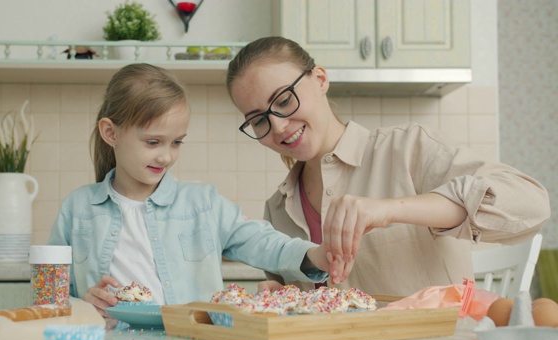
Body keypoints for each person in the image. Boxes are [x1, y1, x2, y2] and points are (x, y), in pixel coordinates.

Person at [225, 36, 551, 296]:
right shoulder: (277, 208)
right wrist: (277, 294)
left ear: (320, 79)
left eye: (283, 100)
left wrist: (389, 210)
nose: (279, 126)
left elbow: (531, 204)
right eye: (259, 121)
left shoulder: (406, 149)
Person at [47, 63, 347, 317]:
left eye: (176, 142)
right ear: (110, 133)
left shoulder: (203, 205)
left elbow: (265, 243)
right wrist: (83, 306)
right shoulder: (77, 209)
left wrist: (316, 255)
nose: (166, 156)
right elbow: (50, 301)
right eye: (153, 142)